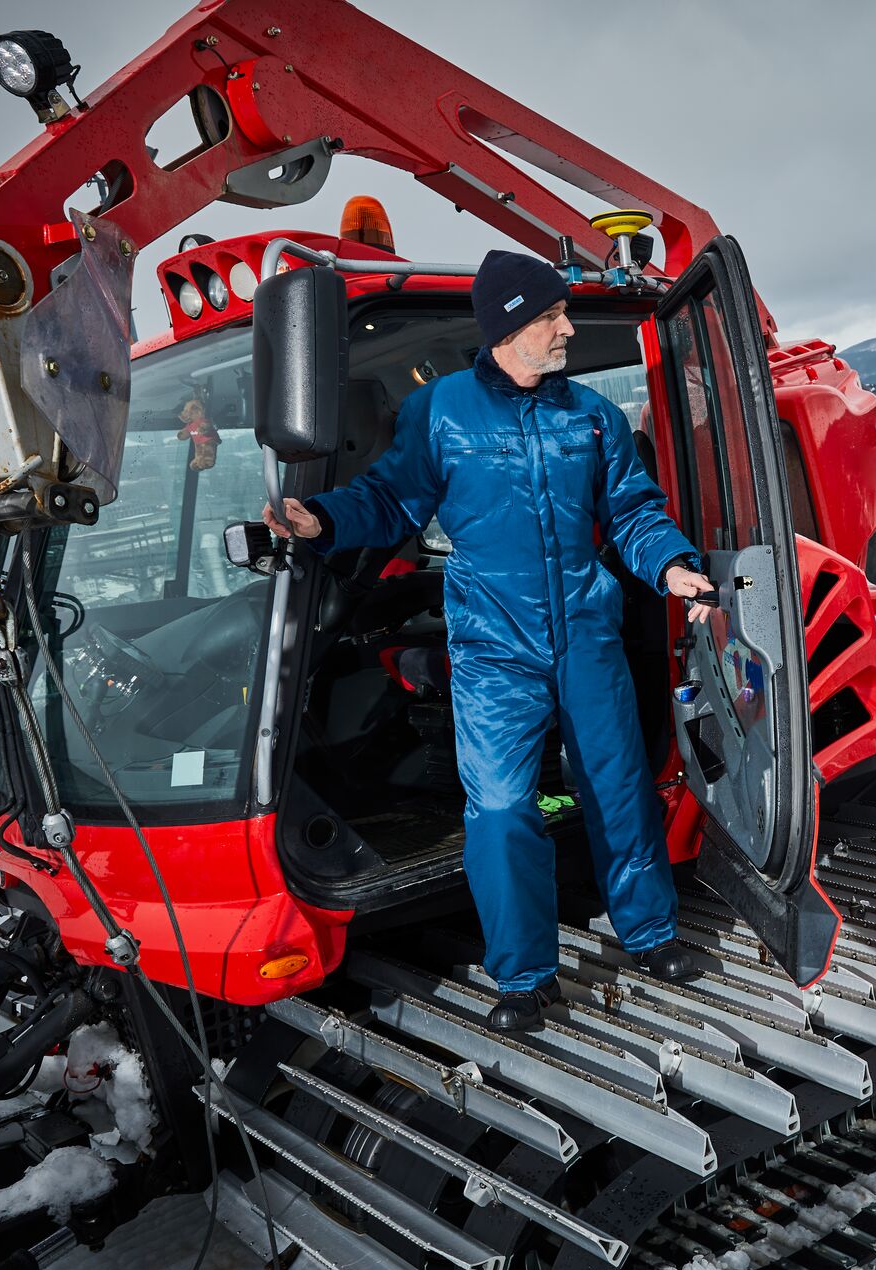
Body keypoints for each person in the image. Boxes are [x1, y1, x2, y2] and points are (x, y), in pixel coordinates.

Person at [264, 250, 712, 1031]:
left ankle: (648, 933)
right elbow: (393, 497)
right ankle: (526, 975)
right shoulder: (441, 413)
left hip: (586, 632)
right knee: (502, 808)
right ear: (509, 326)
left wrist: (672, 565)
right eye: (550, 317)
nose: (565, 328)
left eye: (562, 313)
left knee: (618, 787)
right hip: (494, 648)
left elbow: (634, 511)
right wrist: (325, 519)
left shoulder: (593, 418)